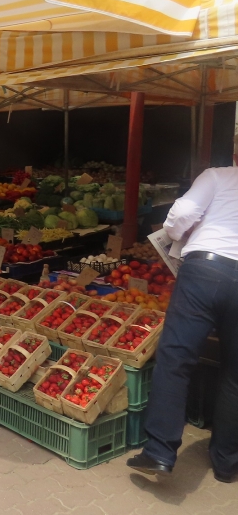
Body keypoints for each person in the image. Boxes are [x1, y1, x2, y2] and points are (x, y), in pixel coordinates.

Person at [127, 166, 238, 482]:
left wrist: (177, 233)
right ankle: (226, 462)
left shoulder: (219, 176)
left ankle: (159, 452)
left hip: (206, 273)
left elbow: (183, 212)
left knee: (175, 359)